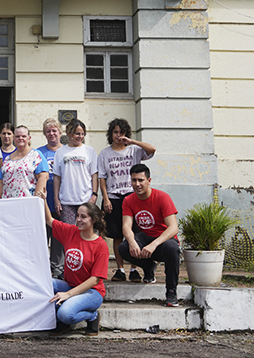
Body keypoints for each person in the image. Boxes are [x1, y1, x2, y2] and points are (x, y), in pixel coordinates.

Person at [36, 189, 108, 337]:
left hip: (92, 292)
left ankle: (92, 316)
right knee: (41, 284)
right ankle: (62, 318)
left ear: (93, 220)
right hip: (70, 285)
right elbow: (50, 221)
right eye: (77, 216)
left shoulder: (101, 246)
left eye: (83, 217)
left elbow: (95, 279)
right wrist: (43, 200)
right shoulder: (71, 231)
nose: (79, 220)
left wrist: (68, 294)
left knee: (65, 314)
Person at [98, 118, 156, 282]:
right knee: (117, 235)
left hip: (133, 197)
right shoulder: (105, 153)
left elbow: (152, 150)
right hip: (114, 198)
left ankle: (134, 269)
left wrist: (131, 141)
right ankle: (120, 269)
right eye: (116, 132)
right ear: (111, 134)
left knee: (136, 233)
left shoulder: (134, 150)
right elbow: (102, 178)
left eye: (122, 132)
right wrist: (106, 198)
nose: (118, 136)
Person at [118, 164, 181, 307]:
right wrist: (132, 242)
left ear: (149, 180)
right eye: (134, 180)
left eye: (141, 180)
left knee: (172, 248)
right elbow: (126, 226)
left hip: (163, 241)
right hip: (145, 238)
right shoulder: (129, 200)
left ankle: (171, 291)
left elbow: (173, 228)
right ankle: (148, 268)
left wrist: (154, 244)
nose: (137, 184)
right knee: (123, 248)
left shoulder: (162, 197)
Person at [53, 119, 98, 225]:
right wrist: (56, 199)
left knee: (86, 232)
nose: (80, 136)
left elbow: (94, 175)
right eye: (77, 133)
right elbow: (57, 177)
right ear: (69, 133)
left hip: (86, 199)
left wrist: (94, 195)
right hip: (67, 201)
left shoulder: (89, 150)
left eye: (82, 134)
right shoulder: (60, 151)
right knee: (69, 234)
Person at [37, 118, 65, 279]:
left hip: (63, 199)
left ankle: (57, 269)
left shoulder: (66, 151)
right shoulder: (39, 153)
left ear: (60, 133)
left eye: (54, 130)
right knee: (41, 236)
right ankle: (42, 268)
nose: (51, 133)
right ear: (44, 134)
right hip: (43, 200)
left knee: (58, 237)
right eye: (48, 131)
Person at [0, 125, 48, 199]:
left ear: (29, 138)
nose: (20, 138)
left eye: (23, 136)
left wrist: (36, 200)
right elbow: (1, 182)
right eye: (17, 136)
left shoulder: (36, 155)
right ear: (14, 138)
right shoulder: (7, 159)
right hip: (7, 203)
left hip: (28, 202)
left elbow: (43, 177)